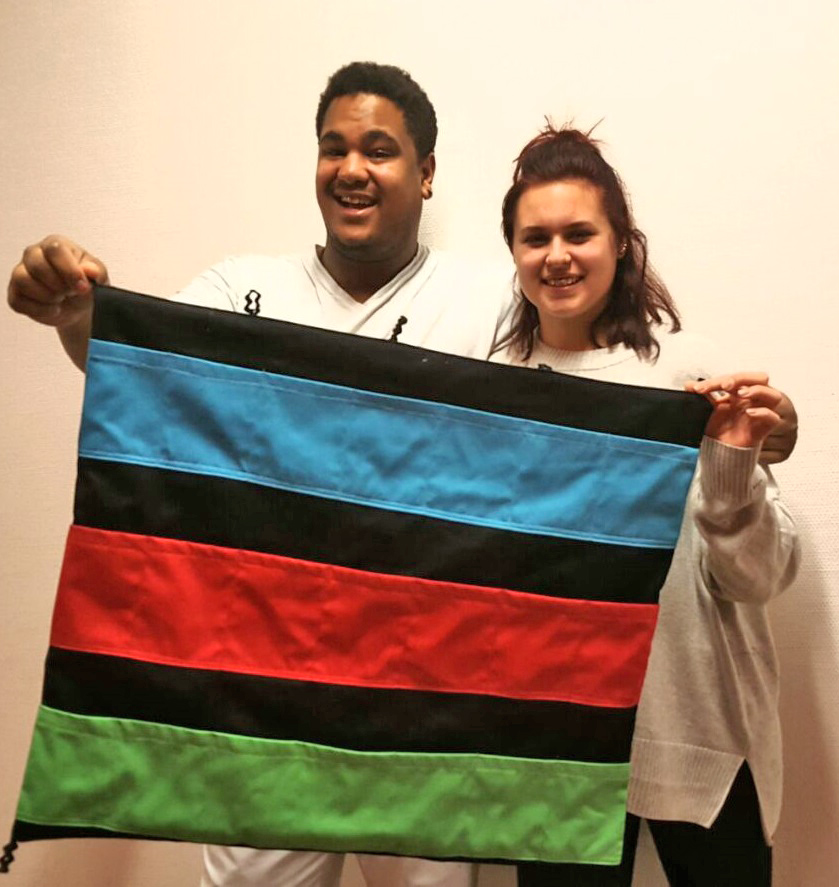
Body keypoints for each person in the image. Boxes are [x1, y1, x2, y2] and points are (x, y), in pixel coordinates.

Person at [6, 63, 798, 887]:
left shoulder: (489, 304)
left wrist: (759, 438)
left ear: (425, 174)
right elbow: (150, 374)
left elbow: (610, 360)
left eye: (379, 150)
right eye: (334, 148)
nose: (353, 168)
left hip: (422, 722)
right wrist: (78, 315)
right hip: (265, 705)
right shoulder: (242, 289)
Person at [491, 124, 801, 886]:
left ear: (620, 242)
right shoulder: (493, 387)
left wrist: (728, 472)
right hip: (558, 751)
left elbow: (759, 577)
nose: (556, 255)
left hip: (702, 739)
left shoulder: (686, 377)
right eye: (535, 237)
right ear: (513, 251)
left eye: (578, 233)